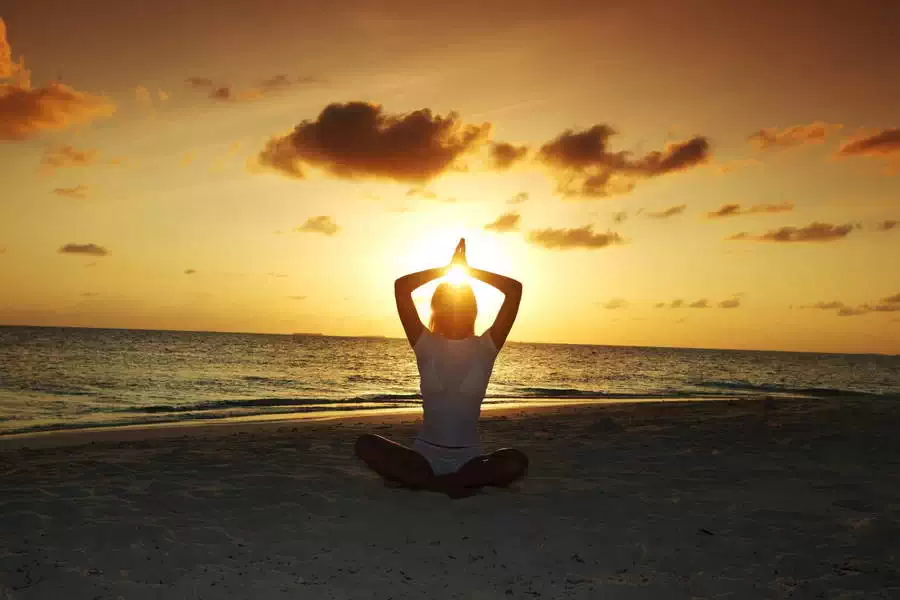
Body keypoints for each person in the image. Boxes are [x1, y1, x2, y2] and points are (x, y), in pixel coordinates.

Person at [355, 238, 528, 498]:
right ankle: (451, 485)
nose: (455, 310)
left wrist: (467, 271)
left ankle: (436, 484)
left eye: (462, 304)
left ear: (472, 309)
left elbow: (514, 290)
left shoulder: (487, 346)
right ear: (437, 308)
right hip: (424, 457)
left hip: (470, 460)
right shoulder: (425, 343)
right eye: (448, 304)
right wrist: (447, 269)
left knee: (516, 461)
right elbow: (401, 288)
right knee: (365, 444)